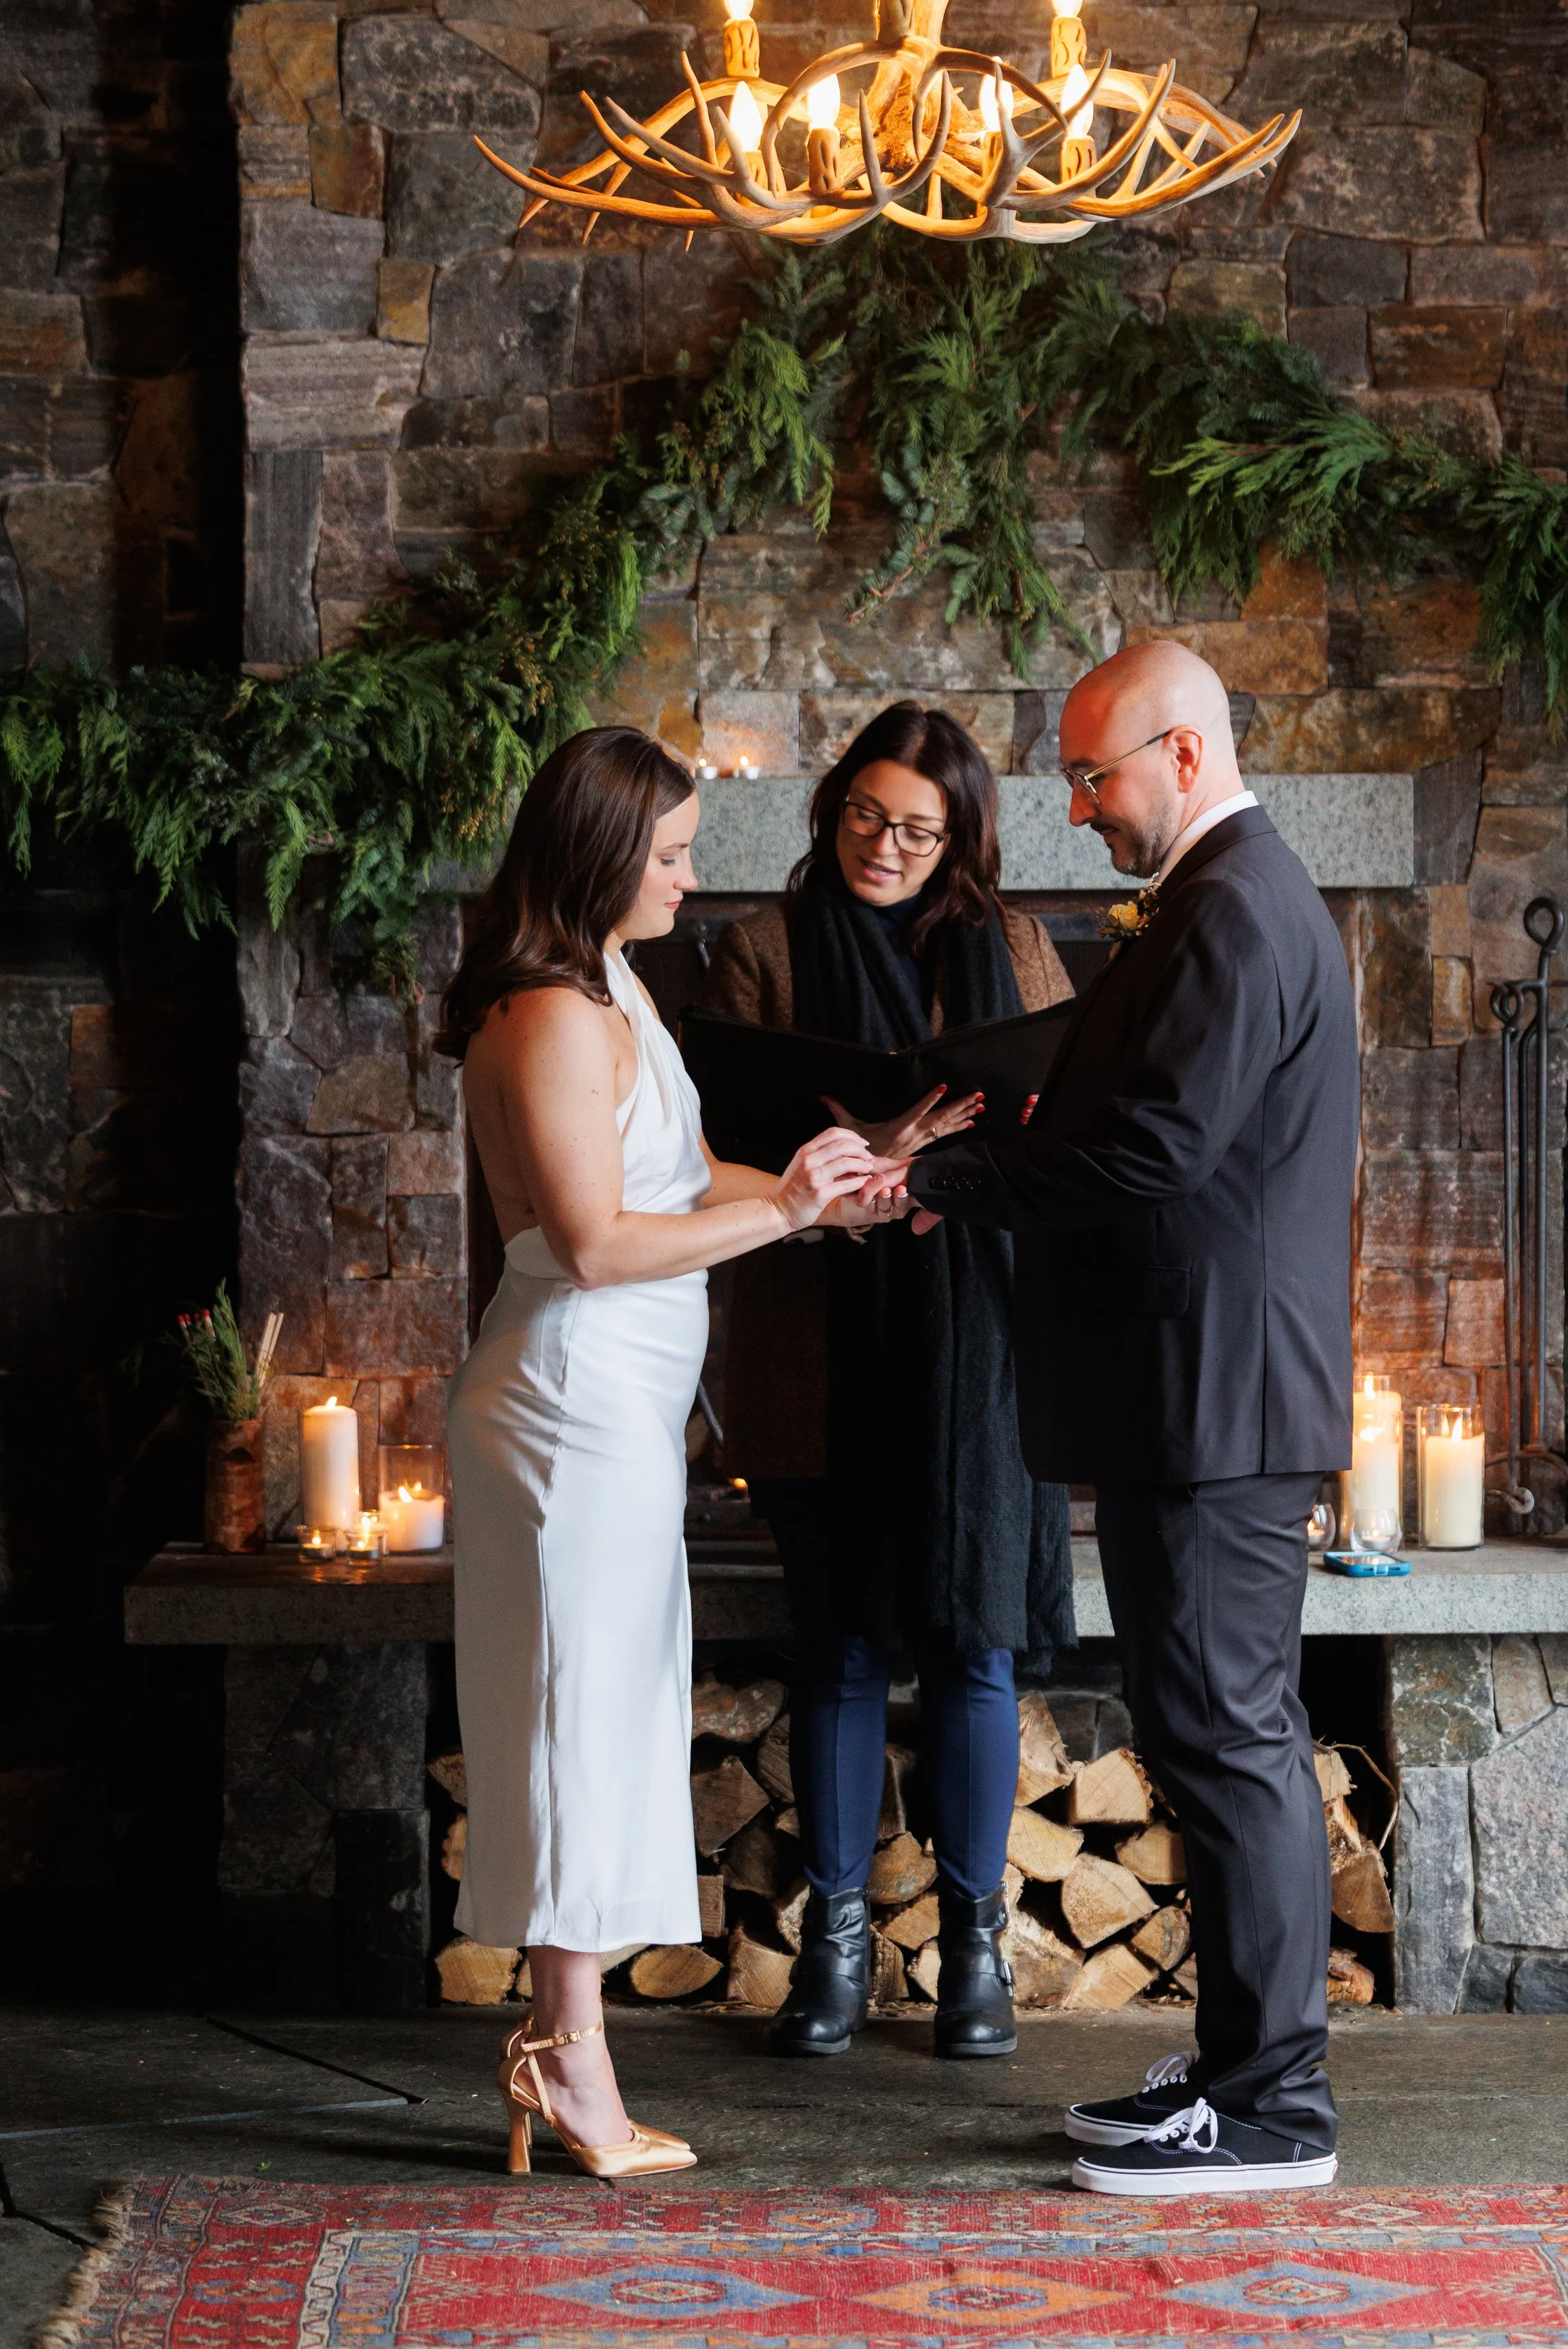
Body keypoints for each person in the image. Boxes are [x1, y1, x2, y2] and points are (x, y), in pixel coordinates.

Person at [903, 642, 1358, 2195]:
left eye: (1092, 776)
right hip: (1197, 1395)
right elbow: (1157, 1121)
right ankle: (1239, 2063)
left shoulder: (1232, 904)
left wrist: (947, 1180)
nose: (1077, 809)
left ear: (1179, 752)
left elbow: (1157, 1152)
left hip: (1219, 1399)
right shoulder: (1215, 900)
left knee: (1230, 1735)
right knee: (1203, 1726)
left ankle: (1274, 2108)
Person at [438, 726, 896, 2181]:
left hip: (617, 1410)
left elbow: (684, 1175)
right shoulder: (552, 1015)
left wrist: (849, 1186)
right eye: (674, 856)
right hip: (567, 1409)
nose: (694, 880)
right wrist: (792, 1218)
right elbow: (591, 1241)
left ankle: (555, 2048)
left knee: (607, 1717)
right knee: (574, 1725)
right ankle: (565, 2062)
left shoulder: (614, 987)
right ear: (595, 856)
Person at [696, 701, 1076, 2060]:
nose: (886, 843)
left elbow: (1065, 1139)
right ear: (831, 805)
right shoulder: (751, 952)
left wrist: (944, 1171)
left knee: (972, 1646)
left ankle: (976, 1950)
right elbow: (713, 1156)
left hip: (977, 1349)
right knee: (841, 1644)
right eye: (865, 812)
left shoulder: (1021, 948)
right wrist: (857, 1160)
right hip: (817, 1342)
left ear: (960, 835)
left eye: (919, 826)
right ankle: (838, 1946)